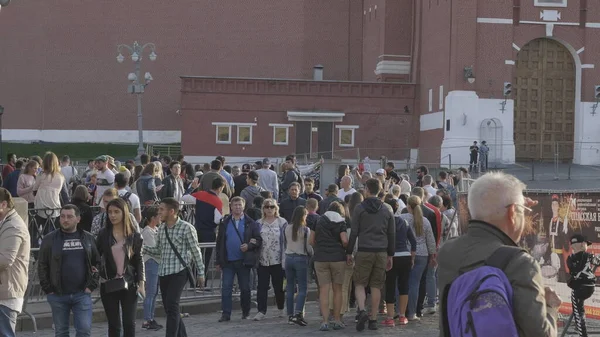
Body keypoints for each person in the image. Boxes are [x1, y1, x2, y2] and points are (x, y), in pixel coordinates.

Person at [438, 172, 561, 337]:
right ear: (512, 214)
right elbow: (540, 334)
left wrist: (512, 205)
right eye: (522, 212)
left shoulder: (448, 250)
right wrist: (551, 307)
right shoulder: (519, 263)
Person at [143, 197, 205, 337]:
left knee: (172, 305)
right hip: (164, 272)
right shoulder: (162, 228)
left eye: (161, 209)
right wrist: (142, 248)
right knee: (171, 309)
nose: (159, 212)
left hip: (179, 271)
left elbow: (196, 251)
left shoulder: (186, 228)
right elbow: (158, 250)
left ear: (172, 211)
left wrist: (201, 272)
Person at [38, 204, 98, 337]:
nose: (65, 219)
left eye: (69, 217)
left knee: (84, 330)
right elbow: (42, 265)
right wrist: (48, 289)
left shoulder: (88, 238)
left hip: (82, 294)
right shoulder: (49, 239)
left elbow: (97, 262)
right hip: (58, 294)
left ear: (78, 219)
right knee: (61, 332)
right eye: (63, 216)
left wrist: (92, 285)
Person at [346, 178, 395, 332]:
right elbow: (391, 234)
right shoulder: (387, 209)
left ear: (367, 189)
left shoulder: (359, 208)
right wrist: (390, 255)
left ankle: (361, 310)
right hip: (381, 251)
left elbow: (354, 232)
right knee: (376, 286)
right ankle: (373, 319)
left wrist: (349, 251)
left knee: (360, 283)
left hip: (364, 250)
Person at [96, 198, 145, 337]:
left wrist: (141, 283)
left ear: (124, 213)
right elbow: (95, 257)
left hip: (129, 283)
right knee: (114, 325)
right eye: (110, 212)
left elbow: (139, 260)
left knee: (129, 324)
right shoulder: (103, 234)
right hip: (109, 283)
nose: (112, 215)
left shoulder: (134, 235)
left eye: (116, 212)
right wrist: (97, 274)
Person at [216, 197, 262, 322]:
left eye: (239, 205)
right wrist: (218, 261)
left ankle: (245, 312)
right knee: (226, 288)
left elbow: (258, 240)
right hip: (228, 261)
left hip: (243, 261)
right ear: (231, 206)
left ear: (244, 206)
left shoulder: (251, 222)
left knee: (245, 289)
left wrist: (249, 246)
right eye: (235, 205)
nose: (237, 207)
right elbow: (219, 242)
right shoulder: (225, 222)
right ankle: (226, 314)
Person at [310, 202, 348, 331]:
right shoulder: (341, 222)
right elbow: (344, 240)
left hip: (320, 258)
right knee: (337, 290)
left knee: (324, 290)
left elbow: (311, 240)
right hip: (338, 259)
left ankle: (325, 321)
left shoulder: (318, 220)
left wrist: (319, 248)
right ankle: (337, 320)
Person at [0, 188, 30, 337]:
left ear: (3, 204)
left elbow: (5, 260)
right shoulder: (5, 222)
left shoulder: (13, 226)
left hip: (7, 292)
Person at [382, 198, 416, 327]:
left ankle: (390, 317)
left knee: (390, 286)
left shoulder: (385, 222)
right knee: (404, 286)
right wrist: (412, 257)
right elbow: (413, 242)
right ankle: (402, 316)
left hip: (391, 256)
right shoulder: (405, 222)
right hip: (405, 256)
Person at [253, 198, 287, 321]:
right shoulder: (258, 223)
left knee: (278, 286)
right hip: (263, 259)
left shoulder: (282, 222)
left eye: (271, 207)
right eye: (266, 207)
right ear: (263, 209)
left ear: (275, 208)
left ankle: (281, 307)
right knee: (262, 287)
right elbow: (255, 238)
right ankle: (261, 310)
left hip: (277, 259)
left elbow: (286, 240)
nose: (269, 209)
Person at [567, 234, 600, 337]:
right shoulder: (588, 256)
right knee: (579, 307)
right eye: (587, 244)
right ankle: (579, 325)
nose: (587, 247)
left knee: (578, 309)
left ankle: (581, 330)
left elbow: (573, 272)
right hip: (590, 286)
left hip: (579, 288)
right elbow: (597, 261)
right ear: (582, 245)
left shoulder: (569, 259)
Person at [284, 206, 312, 326]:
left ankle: (290, 315)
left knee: (290, 288)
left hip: (288, 258)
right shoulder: (305, 230)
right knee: (302, 288)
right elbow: (309, 247)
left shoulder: (287, 227)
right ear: (303, 216)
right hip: (301, 258)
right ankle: (298, 313)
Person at [140, 206, 163, 331]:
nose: (160, 218)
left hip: (156, 263)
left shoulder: (156, 229)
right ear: (153, 218)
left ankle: (151, 318)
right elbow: (155, 249)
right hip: (151, 263)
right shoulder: (147, 231)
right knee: (150, 293)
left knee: (154, 293)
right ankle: (147, 319)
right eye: (158, 216)